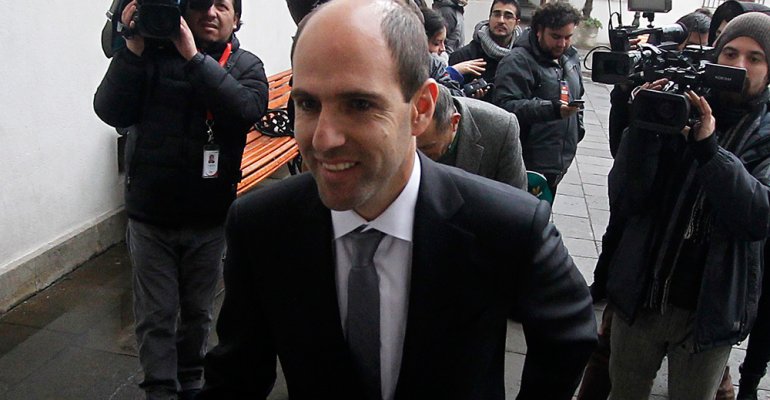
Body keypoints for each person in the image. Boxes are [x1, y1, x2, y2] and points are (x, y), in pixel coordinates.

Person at [198, 0, 597, 399]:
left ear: (421, 109)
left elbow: (570, 332)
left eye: (359, 105)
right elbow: (236, 375)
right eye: (308, 104)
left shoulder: (507, 223)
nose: (323, 139)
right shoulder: (262, 226)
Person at [92, 1, 268, 399]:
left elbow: (244, 110)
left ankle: (190, 381)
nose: (211, 12)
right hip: (150, 216)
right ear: (185, 12)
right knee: (155, 315)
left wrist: (193, 58)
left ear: (237, 18)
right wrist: (132, 49)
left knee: (197, 312)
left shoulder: (245, 66)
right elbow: (110, 109)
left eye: (222, 5)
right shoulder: (150, 59)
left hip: (208, 219)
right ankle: (159, 389)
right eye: (201, 4)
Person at [604, 12, 770, 400]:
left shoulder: (765, 133)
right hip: (643, 294)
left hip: (709, 311)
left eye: (755, 58)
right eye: (730, 53)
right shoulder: (675, 104)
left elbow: (758, 215)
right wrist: (642, 129)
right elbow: (626, 198)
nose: (739, 65)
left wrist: (710, 151)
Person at [493, 1, 584, 198]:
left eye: (568, 37)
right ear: (539, 31)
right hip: (526, 164)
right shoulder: (518, 61)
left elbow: (578, 95)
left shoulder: (570, 58)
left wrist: (578, 128)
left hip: (557, 163)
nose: (562, 44)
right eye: (556, 37)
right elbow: (504, 107)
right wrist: (552, 109)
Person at [416, 86, 527, 189]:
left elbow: (517, 196)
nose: (417, 155)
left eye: (427, 148)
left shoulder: (501, 128)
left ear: (454, 122)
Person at [449, 0, 522, 102]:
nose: (501, 20)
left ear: (517, 23)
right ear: (489, 17)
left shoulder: (523, 59)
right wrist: (466, 95)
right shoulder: (463, 57)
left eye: (508, 16)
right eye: (496, 14)